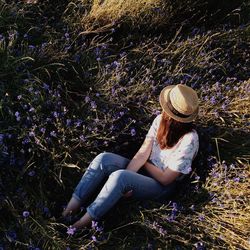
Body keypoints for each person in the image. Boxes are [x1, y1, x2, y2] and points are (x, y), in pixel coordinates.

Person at [61, 84, 199, 230]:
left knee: (121, 177)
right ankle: (67, 213)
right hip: (147, 171)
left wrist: (140, 167)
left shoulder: (190, 139)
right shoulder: (159, 120)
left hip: (162, 187)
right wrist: (132, 173)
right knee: (103, 159)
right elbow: (142, 153)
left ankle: (79, 225)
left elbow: (166, 179)